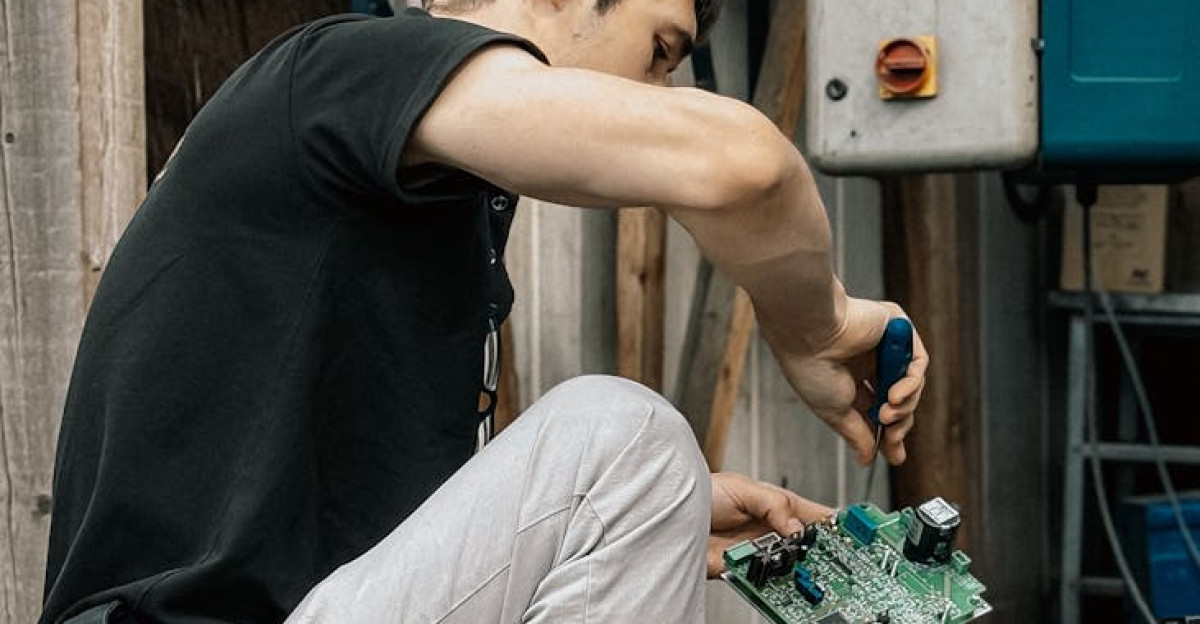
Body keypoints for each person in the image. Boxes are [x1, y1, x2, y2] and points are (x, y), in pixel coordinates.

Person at [40, 0, 928, 622]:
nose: (656, 95)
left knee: (663, 497)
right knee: (627, 438)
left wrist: (640, 519)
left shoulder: (437, 212)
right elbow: (747, 167)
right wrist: (818, 326)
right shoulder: (351, 64)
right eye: (659, 51)